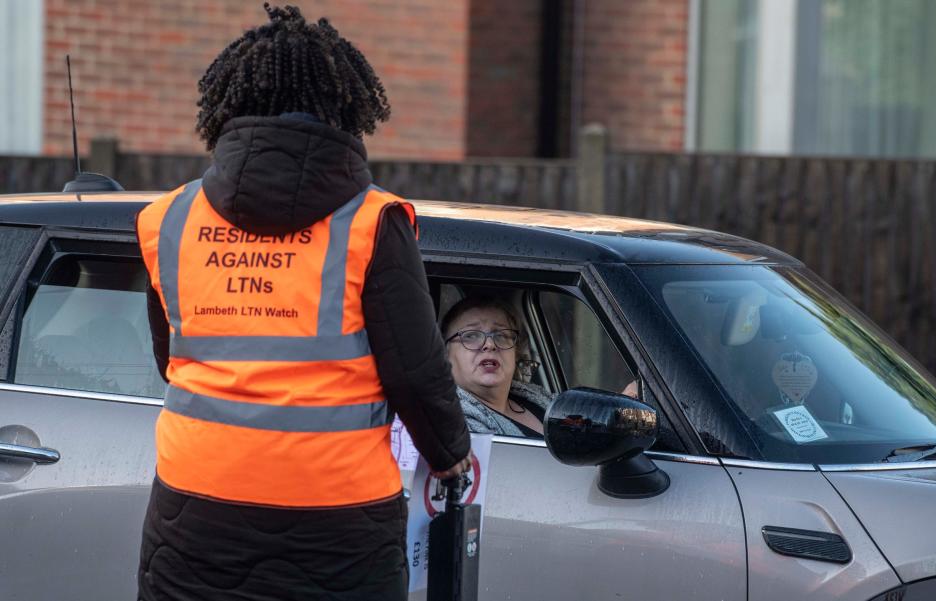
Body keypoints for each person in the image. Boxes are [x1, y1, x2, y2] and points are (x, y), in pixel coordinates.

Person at [134, 6, 470, 601]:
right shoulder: (371, 222)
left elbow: (171, 360)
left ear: (228, 106)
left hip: (194, 507)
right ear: (347, 112)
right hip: (337, 521)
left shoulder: (169, 220)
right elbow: (416, 372)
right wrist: (449, 455)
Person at [441, 296, 642, 439]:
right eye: (471, 336)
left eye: (501, 335)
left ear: (516, 352)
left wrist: (623, 407)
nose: (490, 344)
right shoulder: (454, 418)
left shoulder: (532, 395)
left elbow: (583, 424)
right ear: (444, 355)